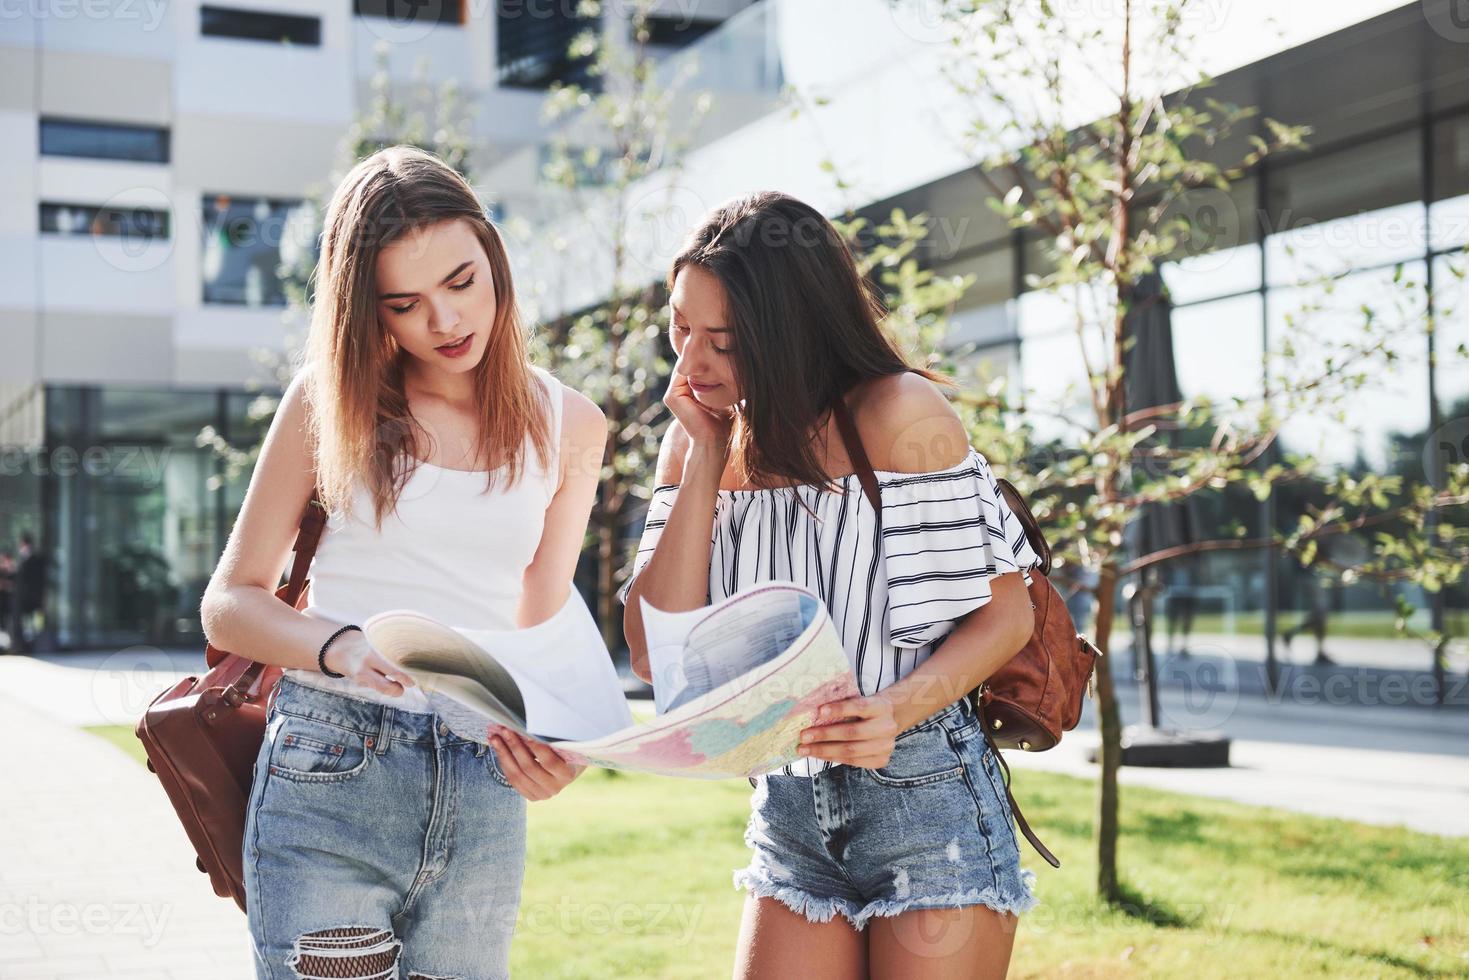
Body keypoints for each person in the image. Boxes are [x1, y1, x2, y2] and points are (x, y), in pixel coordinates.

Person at [201, 145, 606, 980]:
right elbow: (230, 602)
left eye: (461, 282)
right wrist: (342, 645)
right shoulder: (328, 401)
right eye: (405, 303)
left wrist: (557, 742)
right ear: (369, 311)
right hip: (330, 765)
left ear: (493, 257)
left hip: (481, 775)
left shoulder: (571, 424)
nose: (446, 322)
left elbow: (541, 608)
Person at [620, 192, 1041, 979]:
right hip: (788, 807)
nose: (689, 364)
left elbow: (1004, 615)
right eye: (679, 327)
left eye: (725, 341)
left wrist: (890, 709)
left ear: (791, 331)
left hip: (925, 792)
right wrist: (707, 458)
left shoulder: (898, 415)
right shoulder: (692, 443)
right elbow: (651, 651)